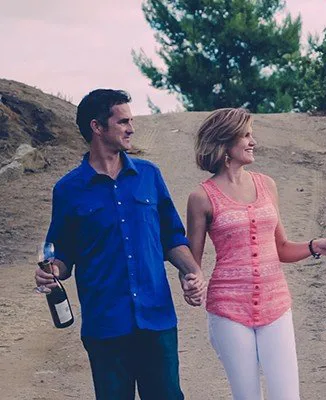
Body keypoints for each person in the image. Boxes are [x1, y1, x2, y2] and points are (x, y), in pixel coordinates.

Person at [34, 89, 207, 400]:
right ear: (97, 127)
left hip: (156, 320)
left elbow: (171, 237)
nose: (131, 128)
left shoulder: (149, 176)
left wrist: (192, 273)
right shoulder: (68, 190)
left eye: (131, 120)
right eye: (123, 121)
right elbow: (62, 255)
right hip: (105, 325)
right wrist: (51, 271)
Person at [187, 108, 326, 400]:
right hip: (228, 310)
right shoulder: (201, 197)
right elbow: (191, 262)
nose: (253, 142)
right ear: (225, 142)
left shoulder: (266, 185)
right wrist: (192, 282)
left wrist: (314, 246)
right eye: (245, 135)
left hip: (276, 305)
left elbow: (281, 248)